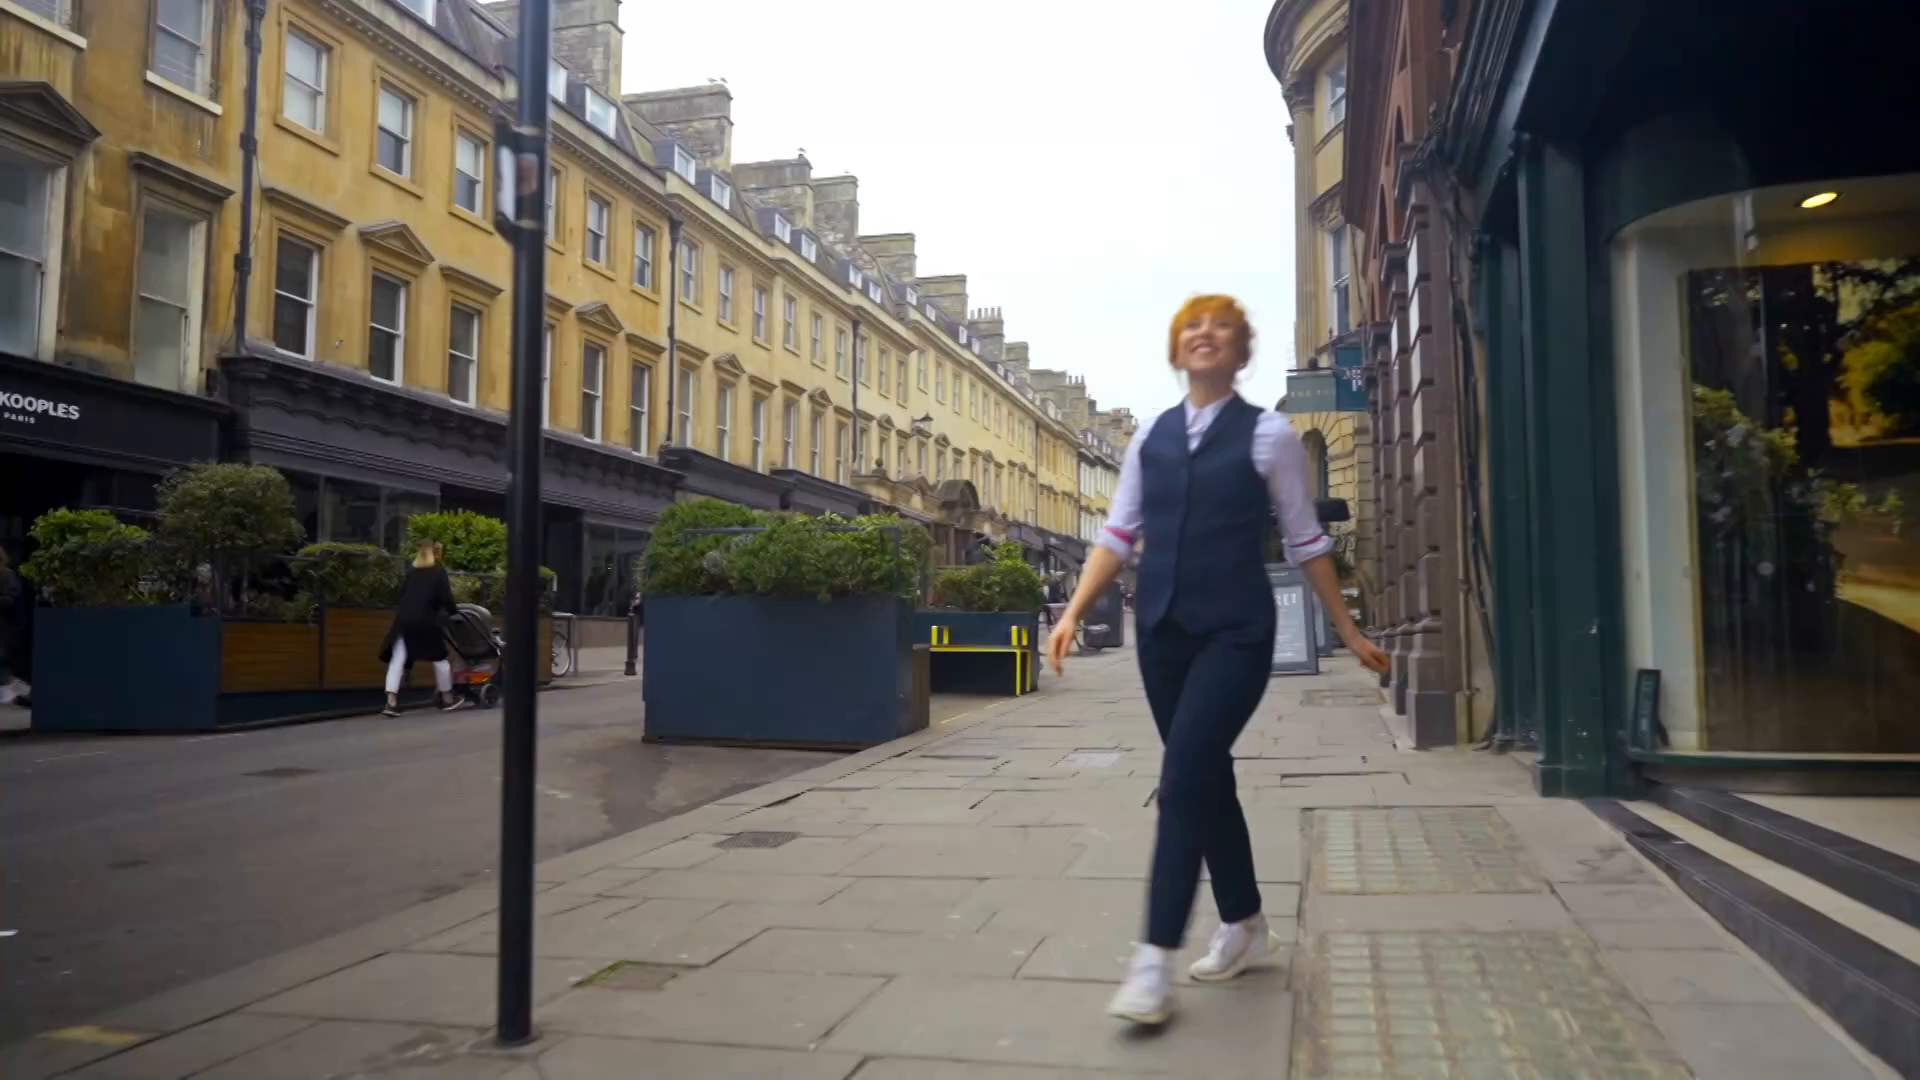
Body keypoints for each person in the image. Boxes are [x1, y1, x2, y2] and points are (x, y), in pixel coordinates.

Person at [1046, 295, 1389, 1026]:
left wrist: (1349, 630)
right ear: (1178, 350)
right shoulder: (1150, 438)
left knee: (1181, 781)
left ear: (1241, 352)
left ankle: (1151, 961)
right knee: (1205, 775)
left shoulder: (1270, 436)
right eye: (1192, 326)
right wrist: (1072, 611)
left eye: (1222, 326)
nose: (1205, 334)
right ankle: (1245, 921)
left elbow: (1306, 541)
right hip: (1162, 633)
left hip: (1237, 632)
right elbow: (1119, 533)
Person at [378, 540, 466, 716]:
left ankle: (391, 703)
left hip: (404, 620)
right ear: (437, 554)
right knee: (440, 659)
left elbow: (402, 595)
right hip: (427, 621)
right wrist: (453, 611)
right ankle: (448, 698)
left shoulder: (411, 572)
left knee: (397, 660)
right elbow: (445, 598)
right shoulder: (438, 572)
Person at [0, 547, 30, 708]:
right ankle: (17, 691)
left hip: (6, 629)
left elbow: (10, 599)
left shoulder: (8, 576)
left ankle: (22, 690)